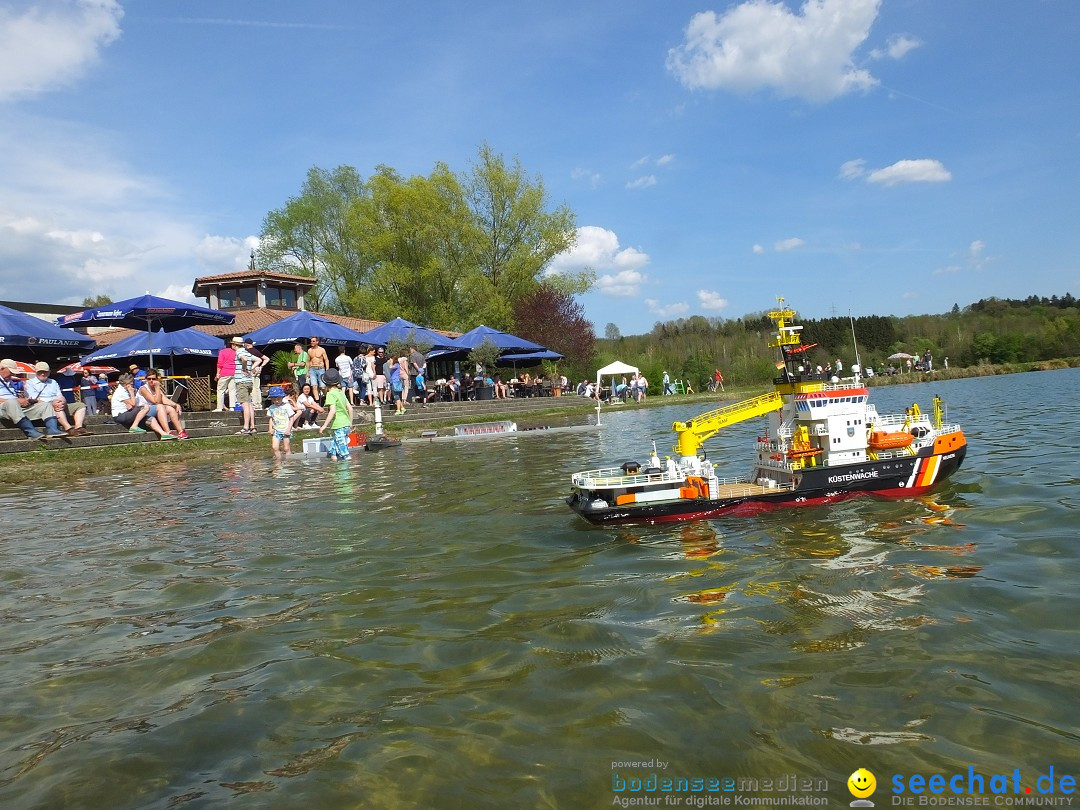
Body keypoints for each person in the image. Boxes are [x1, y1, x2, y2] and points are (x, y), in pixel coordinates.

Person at [23, 361, 92, 437]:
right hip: (43, 406)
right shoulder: (30, 383)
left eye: (45, 372)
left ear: (49, 372)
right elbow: (34, 399)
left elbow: (60, 395)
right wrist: (53, 403)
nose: (43, 374)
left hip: (57, 403)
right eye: (40, 372)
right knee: (56, 407)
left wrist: (63, 402)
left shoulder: (53, 382)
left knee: (81, 405)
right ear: (36, 372)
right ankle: (68, 428)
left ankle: (79, 427)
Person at [0, 358, 62, 440]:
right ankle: (30, 431)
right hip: (3, 407)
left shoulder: (9, 381)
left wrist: (25, 401)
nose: (12, 374)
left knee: (45, 405)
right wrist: (17, 401)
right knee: (12, 403)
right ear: (2, 369)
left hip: (16, 407)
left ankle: (53, 429)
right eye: (10, 372)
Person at [111, 373, 171, 438]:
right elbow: (133, 403)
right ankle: (134, 426)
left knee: (149, 418)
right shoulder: (121, 392)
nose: (132, 386)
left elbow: (132, 405)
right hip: (120, 416)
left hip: (126, 413)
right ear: (126, 384)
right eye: (131, 384)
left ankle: (163, 434)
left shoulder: (124, 391)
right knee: (145, 407)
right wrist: (131, 392)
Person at [137, 368, 187, 438]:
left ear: (156, 379)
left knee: (170, 409)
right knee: (160, 406)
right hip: (144, 410)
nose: (151, 381)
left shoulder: (156, 389)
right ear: (146, 379)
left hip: (154, 409)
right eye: (149, 379)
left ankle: (181, 431)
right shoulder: (143, 389)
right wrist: (157, 387)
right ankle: (167, 431)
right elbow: (156, 401)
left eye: (153, 379)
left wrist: (176, 405)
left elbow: (165, 400)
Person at [318, 368, 353, 461]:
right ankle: (334, 465)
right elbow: (350, 408)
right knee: (334, 448)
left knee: (344, 452)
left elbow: (332, 411)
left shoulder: (330, 394)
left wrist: (324, 425)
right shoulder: (341, 392)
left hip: (338, 425)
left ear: (325, 383)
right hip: (346, 424)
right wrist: (350, 423)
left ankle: (349, 470)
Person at [233, 338, 258, 435]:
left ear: (234, 345)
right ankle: (252, 426)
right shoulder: (246, 351)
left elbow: (244, 359)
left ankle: (246, 427)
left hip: (241, 381)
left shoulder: (239, 351)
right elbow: (258, 359)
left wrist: (244, 368)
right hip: (248, 381)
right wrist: (251, 369)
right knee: (249, 404)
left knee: (245, 404)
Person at [265, 385, 294, 456]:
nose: (276, 401)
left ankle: (288, 462)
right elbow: (271, 418)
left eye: (278, 399)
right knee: (275, 447)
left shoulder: (286, 406)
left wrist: (289, 429)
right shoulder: (271, 408)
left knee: (286, 448)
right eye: (274, 400)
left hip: (285, 430)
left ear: (282, 397)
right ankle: (278, 462)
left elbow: (292, 418)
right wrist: (270, 428)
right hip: (276, 430)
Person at [216, 339, 238, 411]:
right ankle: (232, 407)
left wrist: (218, 373)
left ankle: (219, 407)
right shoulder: (235, 352)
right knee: (232, 390)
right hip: (234, 372)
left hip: (224, 372)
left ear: (224, 345)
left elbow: (220, 363)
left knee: (220, 390)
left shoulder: (222, 352)